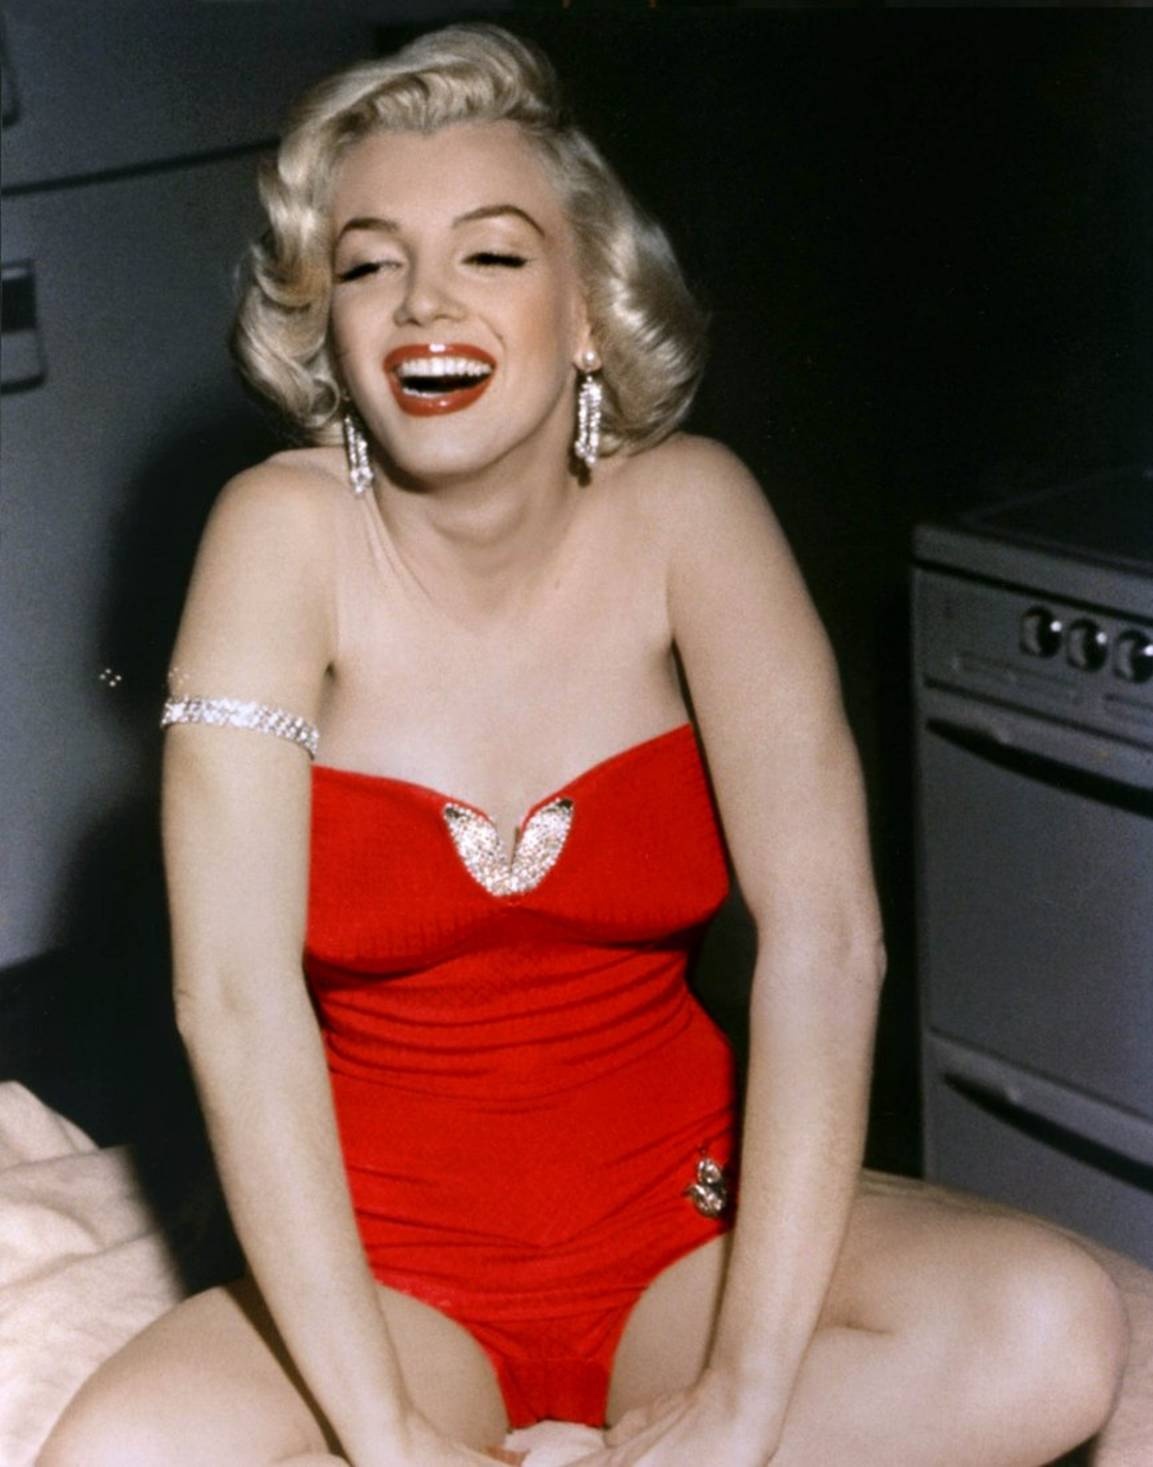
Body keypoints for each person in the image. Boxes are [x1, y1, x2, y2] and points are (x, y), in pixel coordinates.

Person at [42, 24, 1126, 1467]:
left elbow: (826, 945)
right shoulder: (275, 535)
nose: (425, 303)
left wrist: (743, 1399)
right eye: (368, 266)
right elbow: (233, 1002)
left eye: (492, 253)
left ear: (594, 311)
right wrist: (387, 1440)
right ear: (328, 328)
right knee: (115, 1457)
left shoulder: (695, 514)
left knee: (1052, 1332)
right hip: (391, 1281)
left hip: (685, 1235)